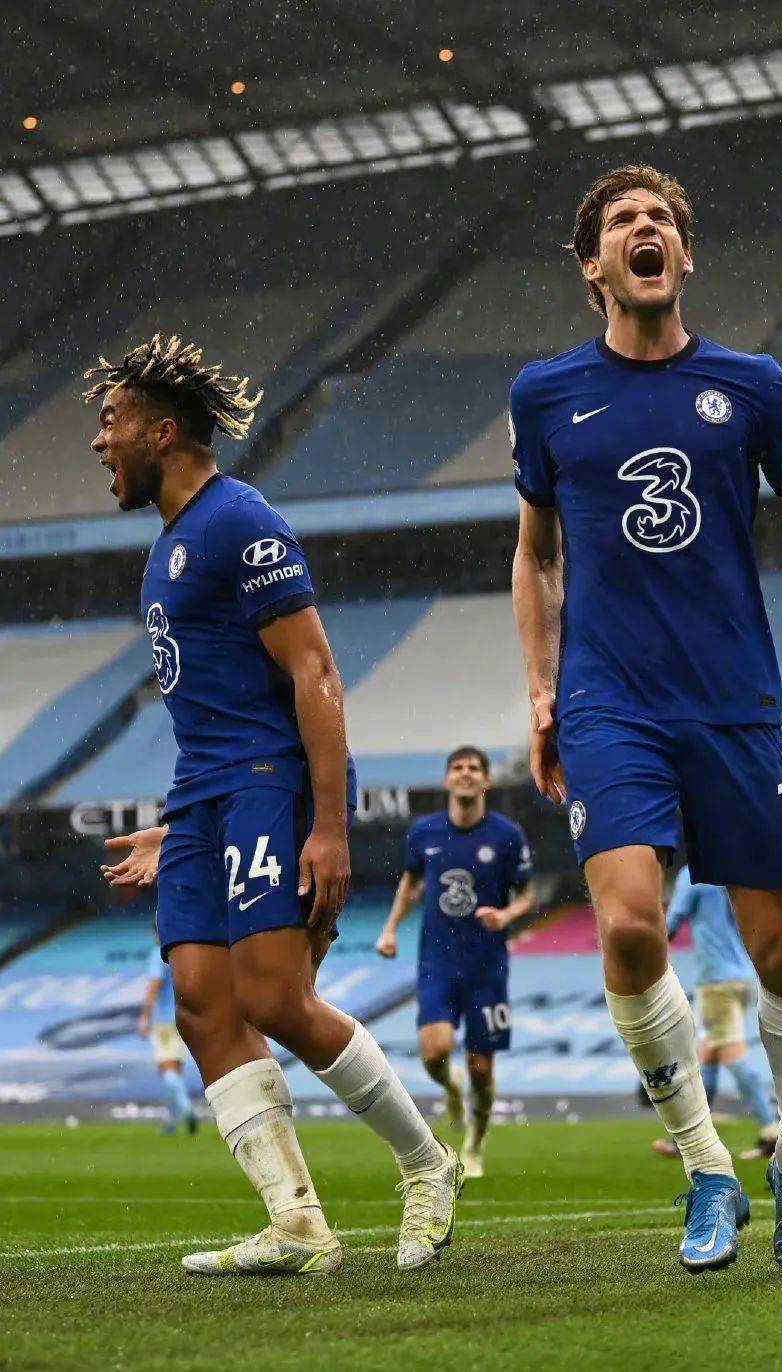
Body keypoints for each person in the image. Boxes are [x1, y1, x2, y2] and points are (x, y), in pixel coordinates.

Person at [510, 165, 782, 1274]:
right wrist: (543, 688)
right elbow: (537, 553)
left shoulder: (749, 385)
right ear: (594, 265)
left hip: (733, 702)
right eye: (624, 221)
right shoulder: (546, 394)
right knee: (627, 928)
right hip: (609, 701)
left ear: (684, 254)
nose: (645, 229)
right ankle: (711, 1170)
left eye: (661, 219)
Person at [86, 334, 460, 1277]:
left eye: (112, 420)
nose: (99, 440)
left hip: (268, 785)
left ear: (163, 433)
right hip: (203, 797)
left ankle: (428, 1165)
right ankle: (297, 1223)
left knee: (272, 998)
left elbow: (315, 670)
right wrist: (180, 826)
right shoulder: (168, 547)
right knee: (201, 1006)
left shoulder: (238, 520)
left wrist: (327, 827)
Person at [376, 747, 535, 1179]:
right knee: (435, 1054)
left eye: (474, 769)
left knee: (482, 1068)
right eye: (458, 768)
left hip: (487, 967)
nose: (466, 774)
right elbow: (410, 883)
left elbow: (528, 893)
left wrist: (506, 914)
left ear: (486, 780)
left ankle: (476, 1142)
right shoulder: (424, 832)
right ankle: (450, 1086)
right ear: (448, 779)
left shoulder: (506, 835)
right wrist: (390, 929)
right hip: (437, 964)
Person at [652, 867, 777, 1162]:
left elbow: (673, 920)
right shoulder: (729, 870)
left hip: (717, 981)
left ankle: (772, 1132)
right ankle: (690, 1139)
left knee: (732, 1053)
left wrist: (647, 957)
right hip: (742, 975)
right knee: (707, 1055)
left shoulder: (693, 873)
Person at [138, 944, 198, 1134]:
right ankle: (171, 1122)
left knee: (167, 1071)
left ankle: (187, 1110)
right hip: (181, 1018)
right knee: (176, 1071)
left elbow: (153, 986)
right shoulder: (179, 951)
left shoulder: (158, 954)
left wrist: (145, 1017)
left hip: (164, 1022)